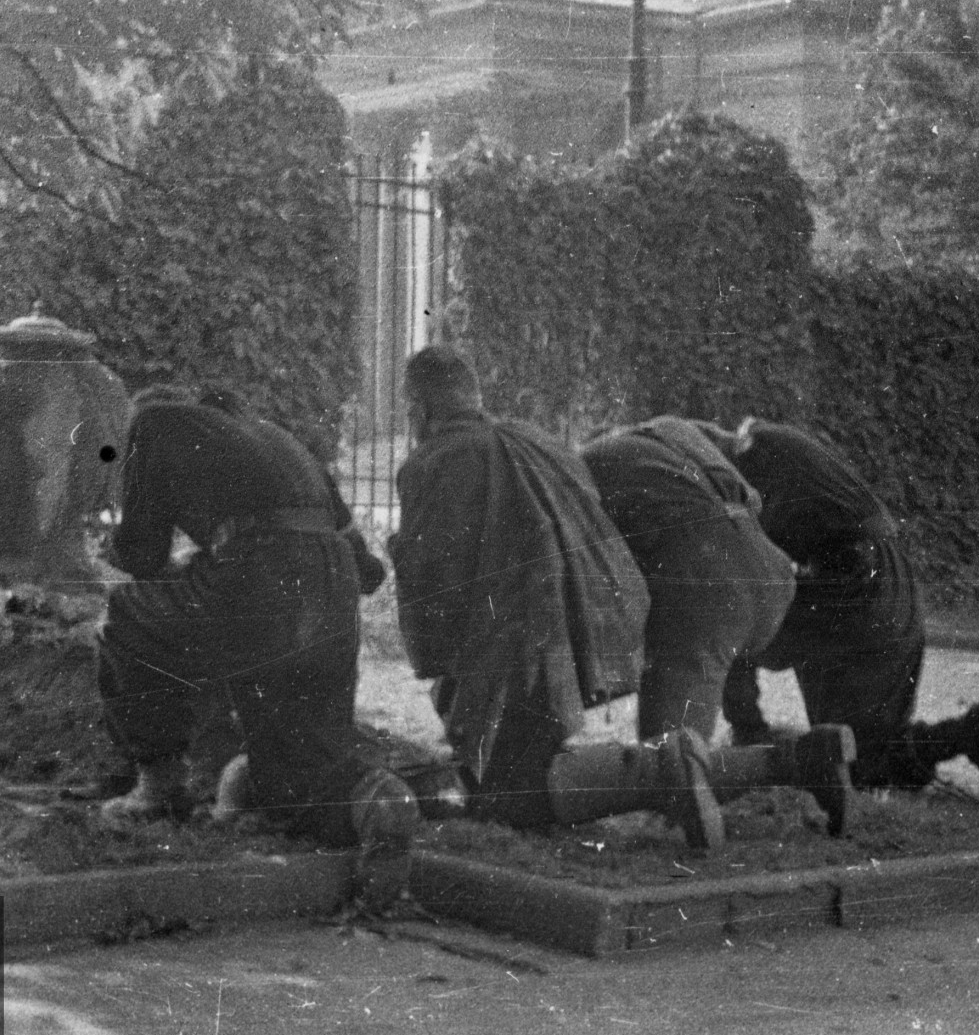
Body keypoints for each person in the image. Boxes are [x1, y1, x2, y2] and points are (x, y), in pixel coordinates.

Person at [388, 345, 726, 850]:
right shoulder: (538, 442)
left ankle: (665, 775)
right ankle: (769, 764)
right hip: (583, 637)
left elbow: (429, 581)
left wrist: (438, 660)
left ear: (419, 411)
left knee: (504, 796)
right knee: (519, 767)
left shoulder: (435, 460)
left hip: (516, 652)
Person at [94, 385, 418, 908]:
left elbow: (141, 556)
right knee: (296, 764)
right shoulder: (279, 439)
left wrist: (136, 553)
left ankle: (159, 788)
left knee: (127, 613)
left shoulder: (153, 422)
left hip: (260, 570)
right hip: (330, 584)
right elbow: (368, 571)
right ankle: (381, 800)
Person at [696, 417, 979, 808]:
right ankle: (973, 733)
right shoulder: (772, 442)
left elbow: (737, 595)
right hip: (892, 577)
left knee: (729, 615)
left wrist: (742, 713)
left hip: (846, 582)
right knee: (868, 752)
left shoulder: (742, 477)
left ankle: (749, 734)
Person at [580, 416, 856, 835]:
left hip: (710, 584)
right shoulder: (673, 429)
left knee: (670, 762)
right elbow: (742, 460)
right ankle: (809, 757)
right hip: (769, 570)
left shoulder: (585, 464)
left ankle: (804, 763)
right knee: (687, 740)